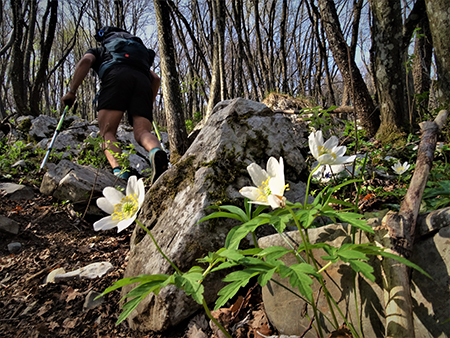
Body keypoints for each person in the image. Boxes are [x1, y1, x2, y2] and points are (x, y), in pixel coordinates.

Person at [61, 26, 168, 185]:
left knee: (107, 132)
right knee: (142, 131)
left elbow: (85, 61)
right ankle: (155, 151)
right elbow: (156, 79)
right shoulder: (140, 55)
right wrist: (147, 106)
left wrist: (72, 92)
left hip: (116, 77)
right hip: (143, 82)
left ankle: (120, 173)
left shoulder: (100, 50)